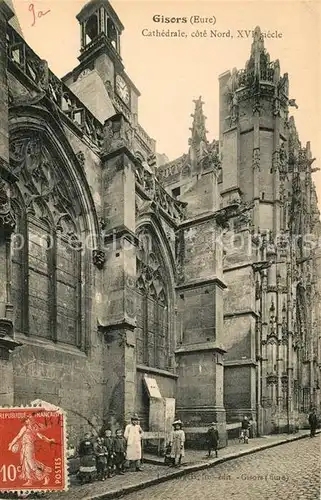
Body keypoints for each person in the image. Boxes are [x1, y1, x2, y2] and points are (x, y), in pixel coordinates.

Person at [8, 415, 55, 487]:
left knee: (31, 464)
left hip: (29, 447)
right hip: (24, 447)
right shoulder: (24, 428)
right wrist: (11, 444)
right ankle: (29, 480)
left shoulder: (34, 428)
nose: (28, 421)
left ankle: (45, 476)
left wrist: (49, 440)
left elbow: (41, 436)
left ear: (31, 420)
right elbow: (18, 436)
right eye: (26, 420)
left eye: (28, 419)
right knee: (25, 464)